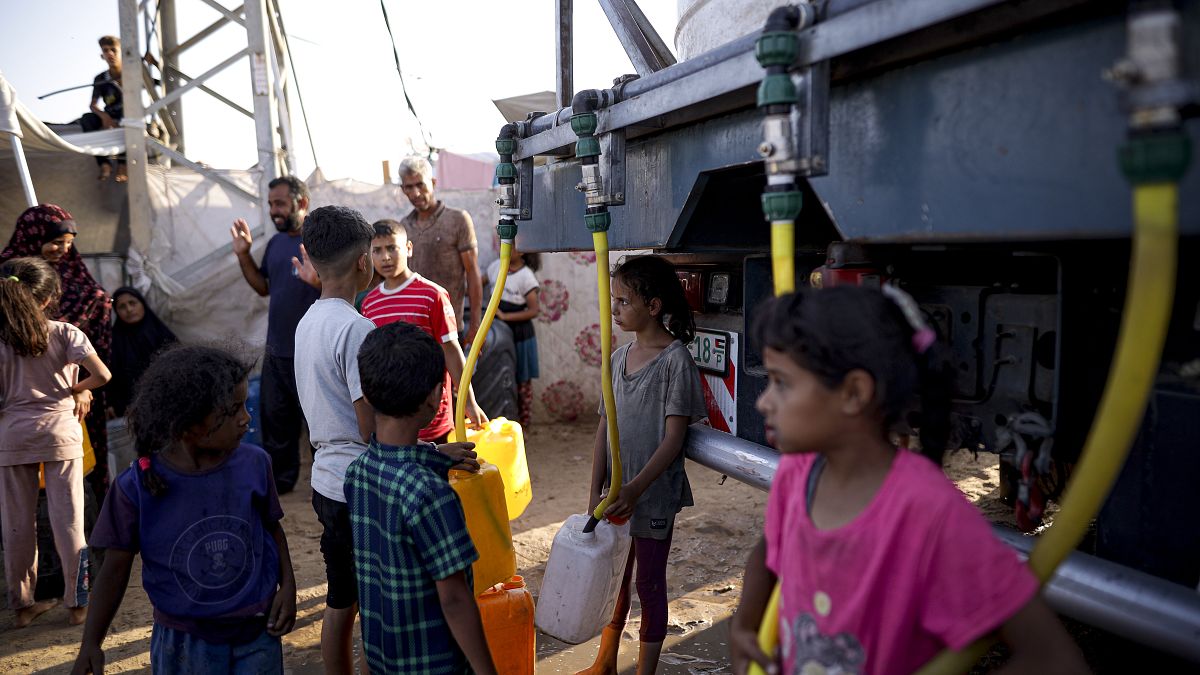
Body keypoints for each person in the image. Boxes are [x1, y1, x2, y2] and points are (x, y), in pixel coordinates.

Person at [729, 286, 1088, 675]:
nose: (763, 401)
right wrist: (744, 625)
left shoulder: (928, 511)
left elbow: (1054, 659)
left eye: (781, 382)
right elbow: (769, 550)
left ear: (854, 393)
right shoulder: (798, 473)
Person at [72, 345, 296, 674]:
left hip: (258, 632)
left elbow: (271, 529)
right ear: (188, 424)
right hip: (185, 643)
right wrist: (91, 642)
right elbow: (114, 570)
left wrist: (288, 585)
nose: (246, 418)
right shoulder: (137, 487)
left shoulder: (255, 464)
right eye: (233, 410)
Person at [344, 320, 495, 674]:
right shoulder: (431, 495)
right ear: (436, 398)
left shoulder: (357, 475)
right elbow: (455, 600)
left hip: (384, 658)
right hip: (434, 662)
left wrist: (436, 456)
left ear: (366, 394)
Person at [581, 255, 707, 675]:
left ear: (652, 306)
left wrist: (634, 489)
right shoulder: (618, 359)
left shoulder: (675, 361)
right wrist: (595, 490)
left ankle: (645, 671)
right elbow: (604, 428)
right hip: (617, 497)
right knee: (615, 579)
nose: (614, 310)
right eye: (613, 301)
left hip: (650, 497)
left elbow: (674, 439)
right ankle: (606, 661)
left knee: (648, 583)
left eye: (622, 302)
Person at [0, 257, 111, 628]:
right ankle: (78, 605)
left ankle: (22, 606)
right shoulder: (65, 332)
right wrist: (76, 390)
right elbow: (102, 375)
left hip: (12, 437)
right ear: (48, 299)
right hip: (61, 432)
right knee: (70, 521)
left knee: (16, 523)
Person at [2, 205, 113, 504]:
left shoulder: (76, 275)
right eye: (55, 241)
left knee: (73, 489)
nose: (62, 249)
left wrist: (82, 388)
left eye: (68, 243)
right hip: (25, 399)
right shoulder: (10, 276)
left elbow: (97, 354)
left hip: (73, 405)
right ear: (33, 235)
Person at [230, 175, 320, 494]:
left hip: (313, 352)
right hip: (278, 350)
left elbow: (344, 289)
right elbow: (264, 287)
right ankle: (281, 487)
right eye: (270, 204)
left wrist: (318, 283)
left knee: (320, 424)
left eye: (280, 204)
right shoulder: (276, 243)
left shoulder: (321, 242)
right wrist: (243, 254)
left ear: (302, 203)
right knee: (275, 422)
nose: (273, 211)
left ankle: (328, 486)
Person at [360, 219, 487, 443]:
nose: (385, 257)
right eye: (377, 251)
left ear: (408, 249)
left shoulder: (432, 295)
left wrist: (468, 401)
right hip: (391, 424)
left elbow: (450, 349)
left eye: (392, 248)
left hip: (432, 419)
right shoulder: (370, 303)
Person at [397, 156, 483, 344]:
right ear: (403, 189)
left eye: (420, 184)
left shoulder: (458, 219)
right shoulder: (404, 226)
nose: (416, 193)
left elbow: (472, 272)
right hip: (414, 329)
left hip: (450, 327)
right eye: (409, 187)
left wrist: (477, 326)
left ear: (433, 183)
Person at [482, 248, 541, 428]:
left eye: (510, 244)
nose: (503, 246)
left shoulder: (526, 277)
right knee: (501, 376)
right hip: (498, 332)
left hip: (520, 334)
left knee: (521, 380)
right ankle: (504, 424)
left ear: (522, 251)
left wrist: (506, 317)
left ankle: (523, 425)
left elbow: (534, 310)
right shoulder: (495, 267)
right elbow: (476, 285)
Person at [105, 286, 177, 419]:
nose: (129, 310)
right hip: (133, 409)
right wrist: (111, 403)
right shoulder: (114, 342)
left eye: (132, 303)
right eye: (122, 306)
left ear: (142, 303)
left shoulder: (161, 334)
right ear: (116, 311)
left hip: (171, 401)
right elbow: (109, 376)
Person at [79, 36, 126, 182]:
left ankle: (123, 164)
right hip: (110, 114)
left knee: (130, 123)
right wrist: (104, 116)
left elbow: (158, 82)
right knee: (86, 119)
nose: (110, 54)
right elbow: (93, 105)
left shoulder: (133, 72)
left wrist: (155, 63)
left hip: (128, 114)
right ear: (102, 55)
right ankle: (104, 163)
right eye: (106, 51)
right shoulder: (100, 78)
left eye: (113, 50)